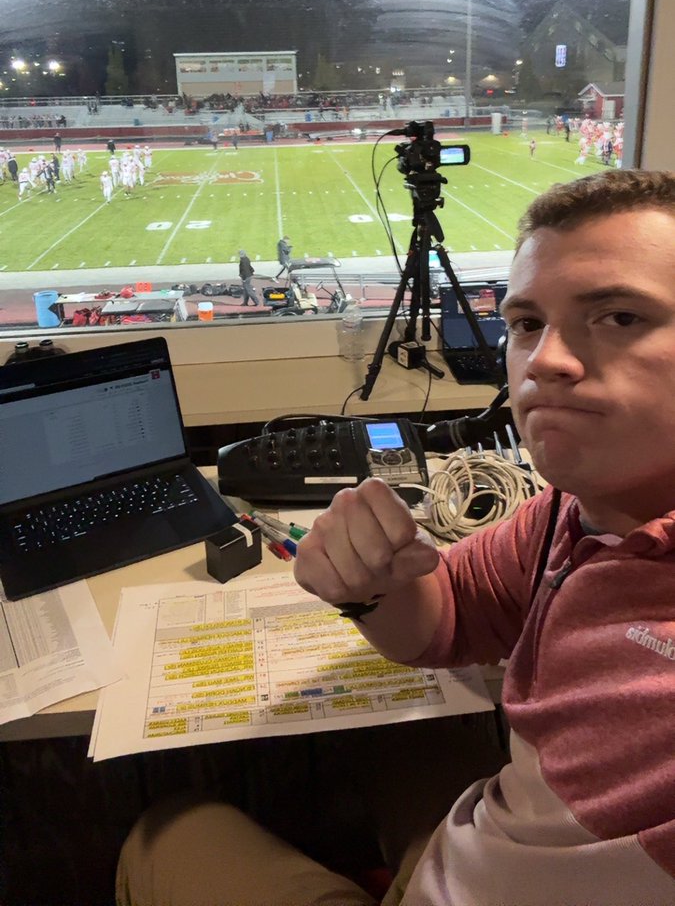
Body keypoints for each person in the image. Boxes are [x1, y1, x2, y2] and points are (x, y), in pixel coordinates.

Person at [116, 169, 675, 906]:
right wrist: (372, 586)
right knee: (401, 741)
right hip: (488, 850)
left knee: (170, 831)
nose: (542, 363)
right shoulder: (572, 509)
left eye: (618, 318)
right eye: (526, 323)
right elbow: (447, 614)